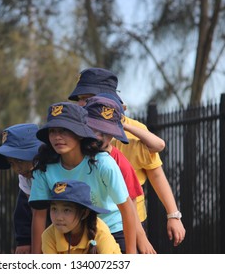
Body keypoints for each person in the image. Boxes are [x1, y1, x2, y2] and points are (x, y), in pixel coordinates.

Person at [68, 67, 186, 247]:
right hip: (88, 218)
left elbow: (155, 172)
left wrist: (173, 215)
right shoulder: (76, 132)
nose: (83, 104)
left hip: (130, 222)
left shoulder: (134, 133)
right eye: (81, 99)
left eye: (88, 98)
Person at [28, 102, 137, 254]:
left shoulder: (103, 163)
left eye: (64, 130)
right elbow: (39, 215)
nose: (57, 137)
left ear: (80, 132)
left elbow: (127, 210)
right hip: (68, 234)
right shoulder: (44, 167)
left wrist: (131, 257)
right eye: (52, 131)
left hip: (112, 231)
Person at [84, 95, 156, 254]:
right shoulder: (74, 153)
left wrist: (141, 238)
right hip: (81, 229)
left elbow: (130, 203)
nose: (99, 137)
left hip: (115, 230)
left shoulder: (118, 162)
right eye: (94, 129)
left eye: (107, 132)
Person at [0, 123, 42, 254]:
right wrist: (24, 241)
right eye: (11, 163)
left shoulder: (51, 171)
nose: (17, 169)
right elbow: (25, 209)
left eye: (20, 160)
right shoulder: (25, 175)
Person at [31, 180, 121, 254]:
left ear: (84, 213)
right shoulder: (48, 235)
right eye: (54, 209)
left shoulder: (100, 232)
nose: (58, 217)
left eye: (66, 210)